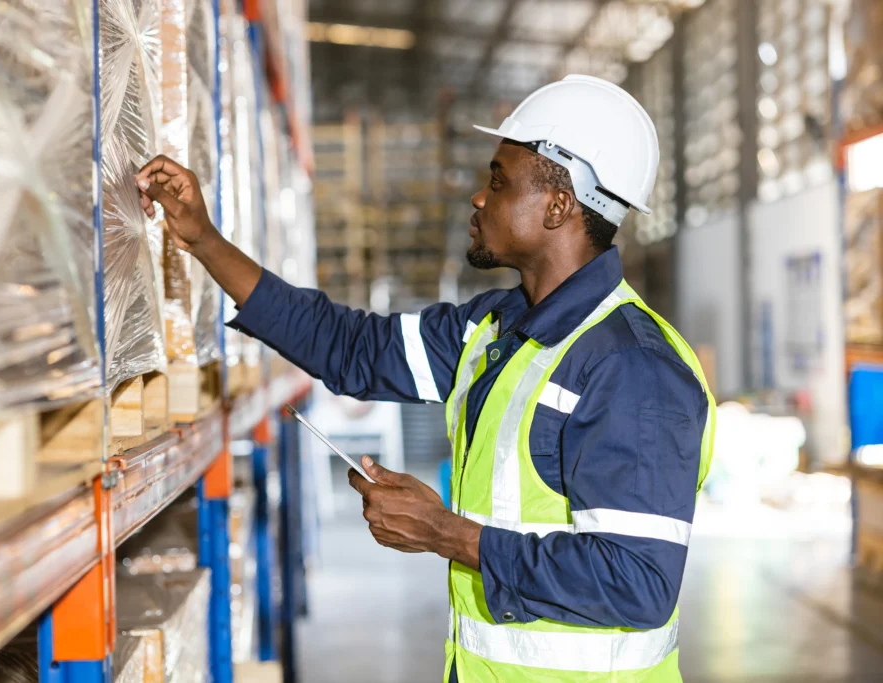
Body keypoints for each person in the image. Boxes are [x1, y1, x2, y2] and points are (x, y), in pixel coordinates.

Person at [137, 74, 714, 683]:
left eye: (498, 181)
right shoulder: (494, 330)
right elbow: (351, 348)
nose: (478, 198)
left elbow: (638, 581)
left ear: (558, 205)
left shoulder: (632, 366)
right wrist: (203, 241)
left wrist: (446, 532)